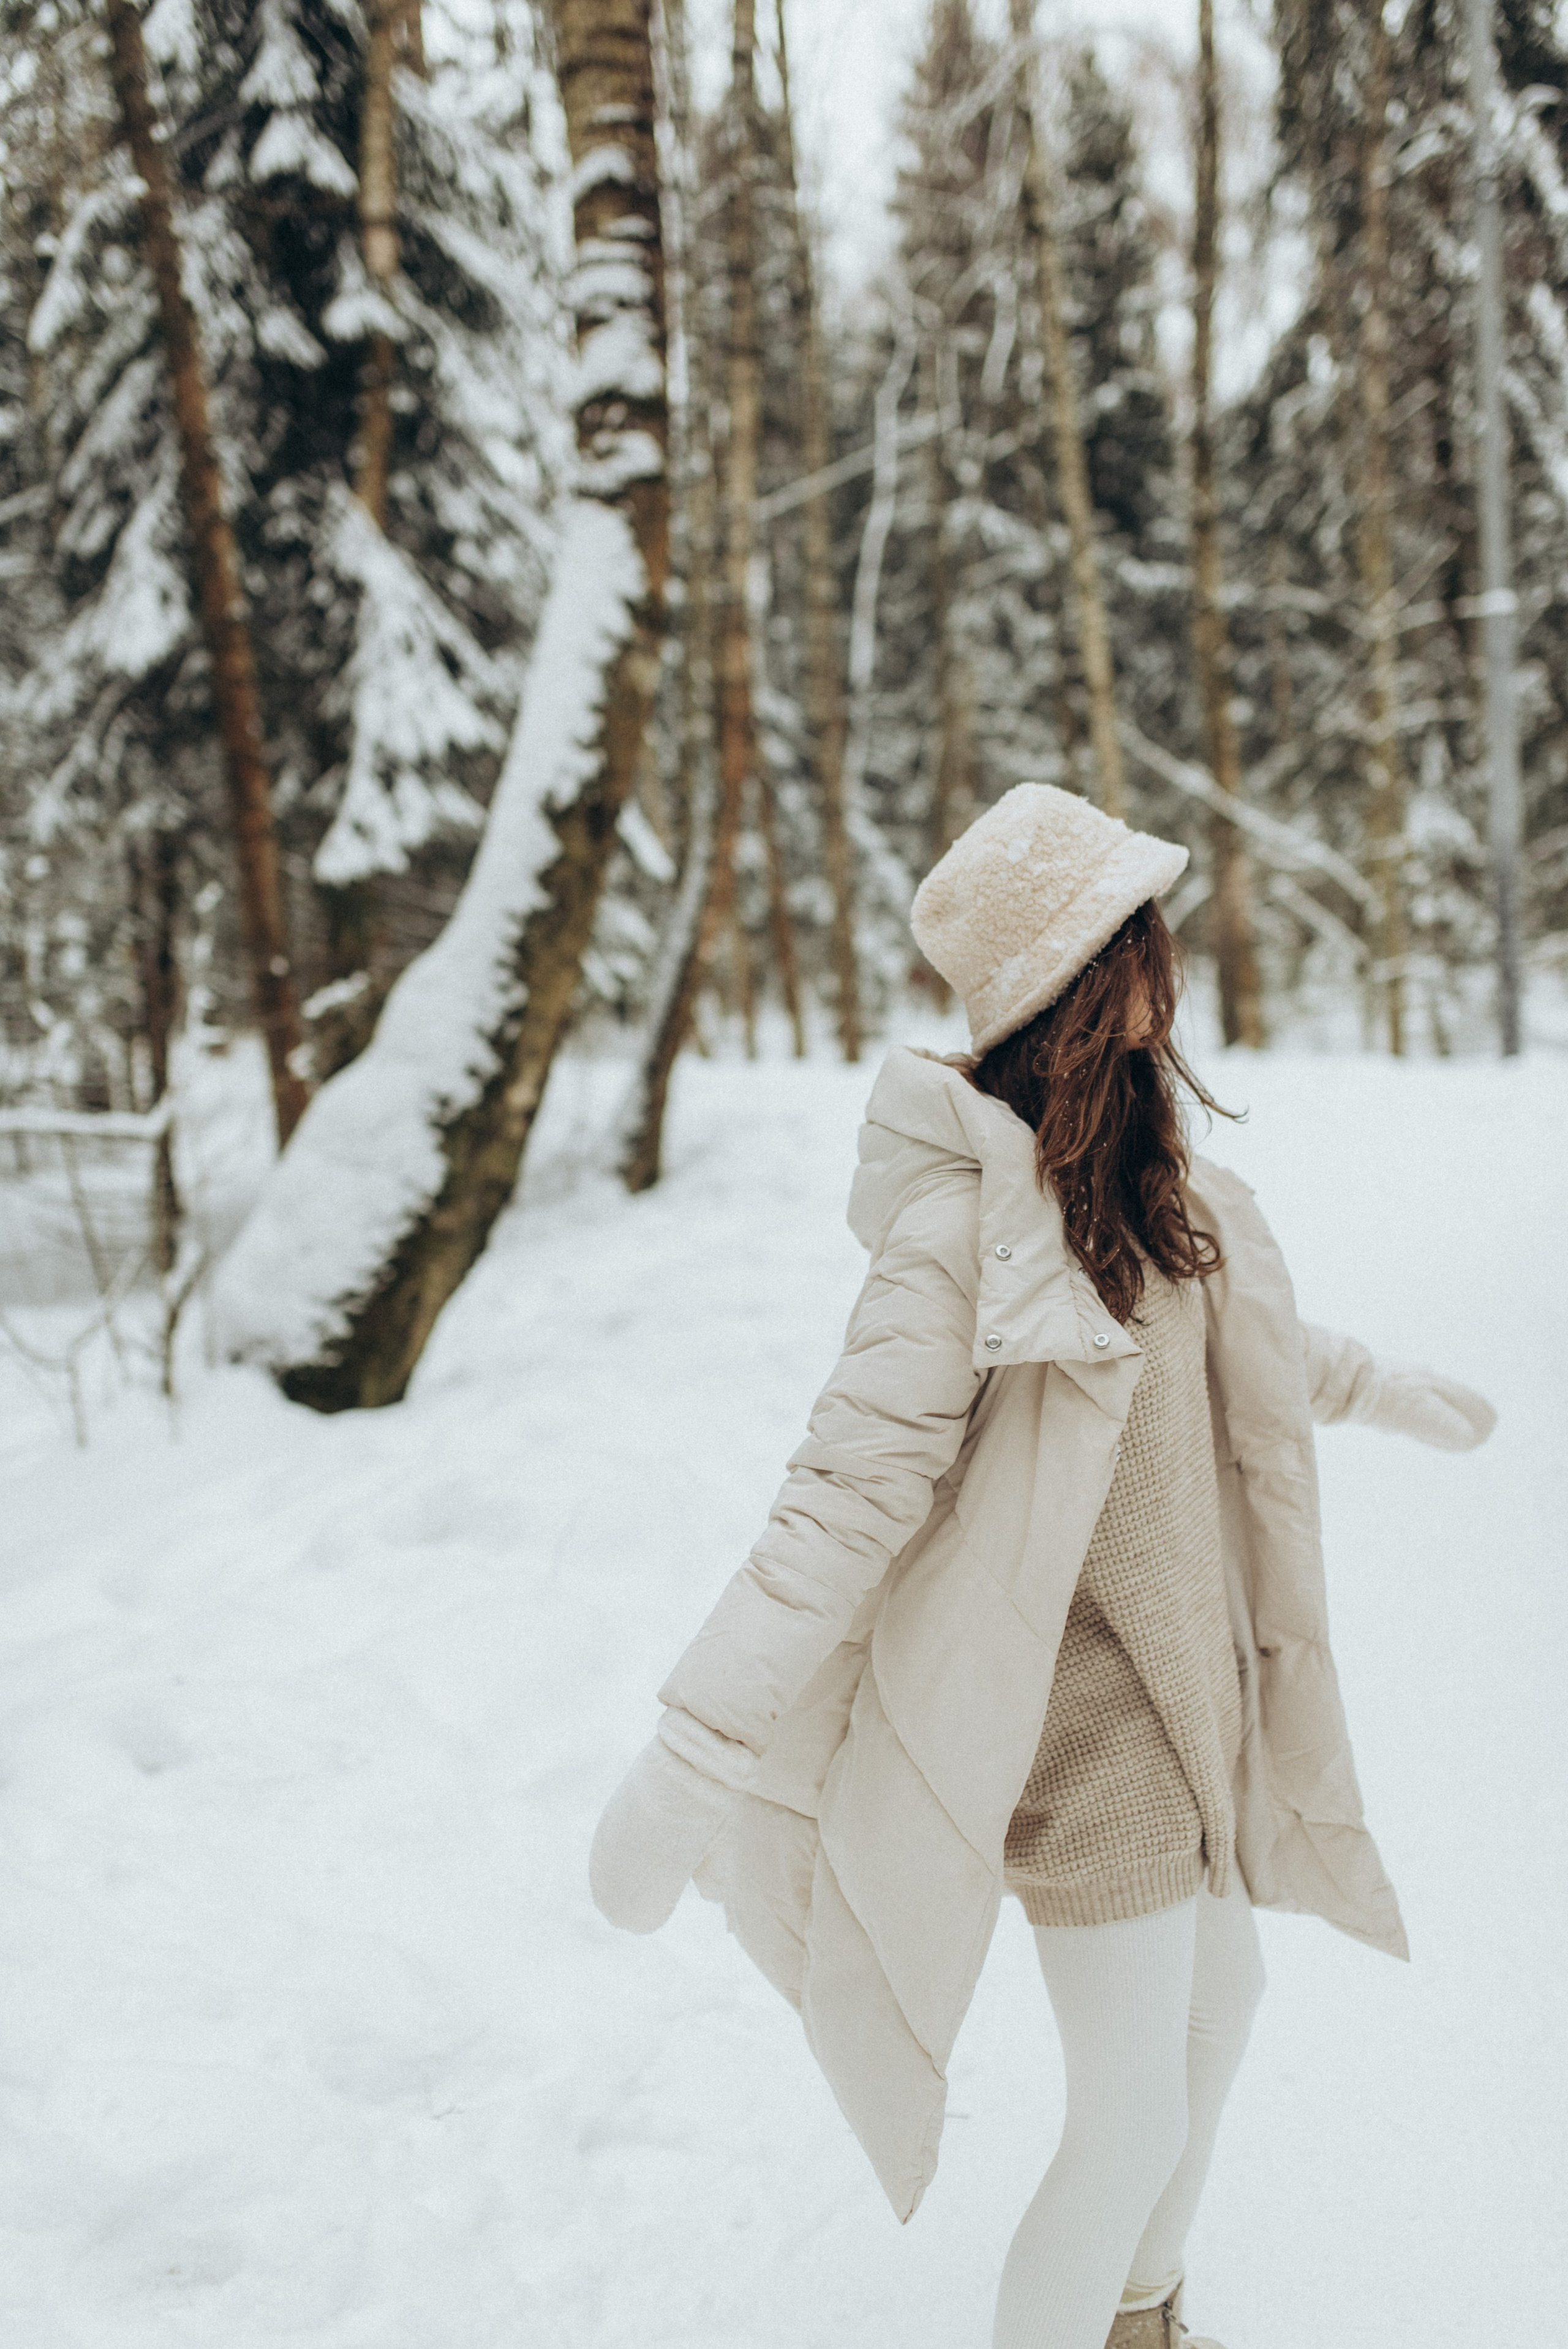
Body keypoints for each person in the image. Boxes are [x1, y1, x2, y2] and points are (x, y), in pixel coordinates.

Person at [589, 785, 1496, 2349]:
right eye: (1138, 938)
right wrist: (691, 1752)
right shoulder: (960, 1234)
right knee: (1129, 2116)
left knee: (1222, 2012)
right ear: (1079, 980)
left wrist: (1383, 1388)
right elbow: (839, 1495)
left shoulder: (1146, 1185)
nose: (1167, 965)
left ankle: (1136, 2321)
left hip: (1183, 1692)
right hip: (1080, 1727)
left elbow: (1240, 1346)